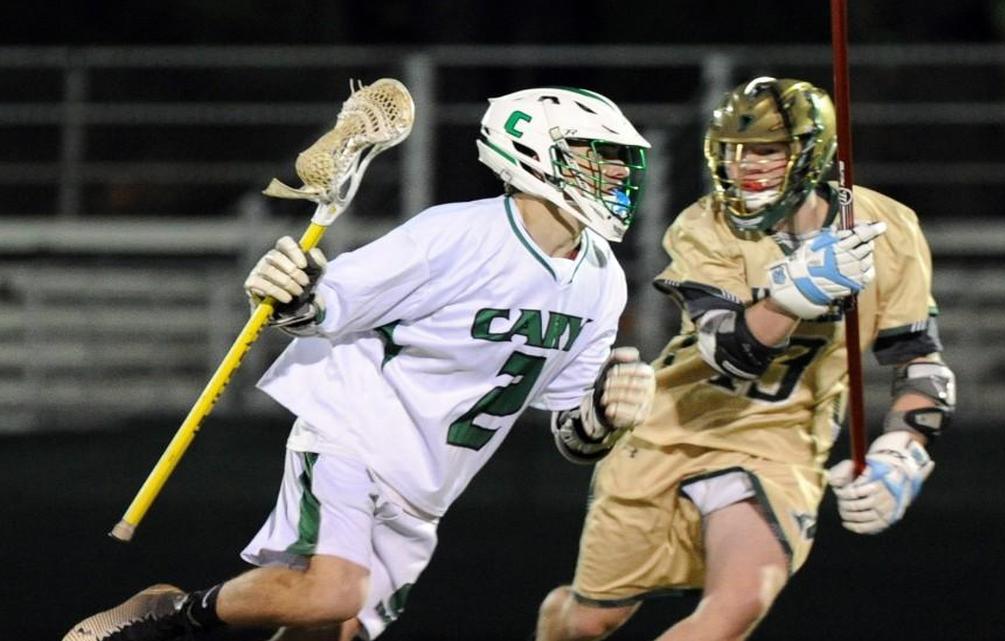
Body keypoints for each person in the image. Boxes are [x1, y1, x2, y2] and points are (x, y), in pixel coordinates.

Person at [63, 87, 657, 641]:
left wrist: (604, 416)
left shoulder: (602, 282)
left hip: (426, 487)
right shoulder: (454, 235)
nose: (616, 174)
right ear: (531, 154)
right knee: (332, 594)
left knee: (330, 628)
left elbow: (570, 433)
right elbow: (322, 307)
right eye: (595, 156)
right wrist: (292, 291)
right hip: (355, 433)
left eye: (619, 160)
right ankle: (169, 611)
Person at [534, 77, 956, 641]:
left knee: (733, 610)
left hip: (778, 444)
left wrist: (901, 451)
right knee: (589, 621)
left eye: (765, 150)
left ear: (810, 153)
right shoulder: (704, 225)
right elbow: (728, 353)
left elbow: (921, 365)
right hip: (672, 427)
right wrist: (796, 293)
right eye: (734, 150)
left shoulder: (889, 228)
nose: (745, 166)